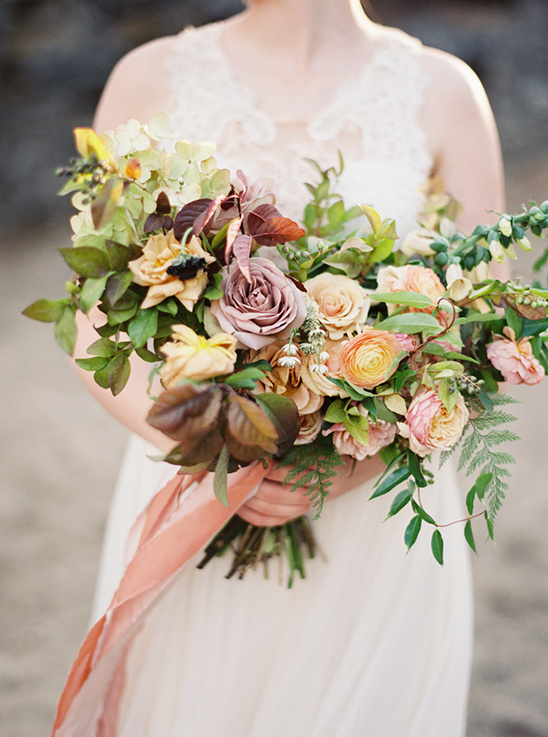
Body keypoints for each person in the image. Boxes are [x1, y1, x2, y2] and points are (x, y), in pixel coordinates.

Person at [63, 1, 505, 735]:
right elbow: (88, 319)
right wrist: (219, 446)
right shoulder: (146, 79)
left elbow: (483, 326)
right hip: (196, 483)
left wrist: (352, 464)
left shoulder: (445, 90)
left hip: (376, 502)